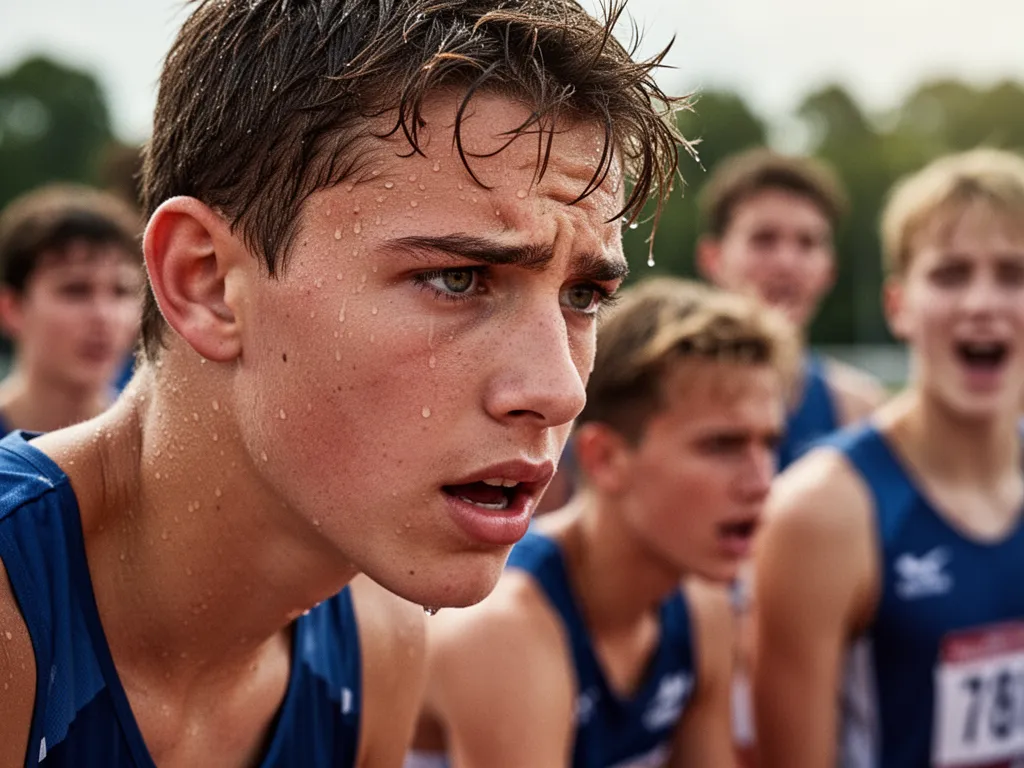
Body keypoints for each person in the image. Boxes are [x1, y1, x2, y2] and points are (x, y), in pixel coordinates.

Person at [0, 0, 684, 765]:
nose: (559, 388)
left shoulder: (378, 637)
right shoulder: (14, 610)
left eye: (583, 297)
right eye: (457, 279)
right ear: (206, 282)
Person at [410, 277, 798, 767]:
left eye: (768, 444)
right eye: (721, 446)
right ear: (606, 458)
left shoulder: (704, 610)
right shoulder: (505, 634)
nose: (762, 481)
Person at [753, 148, 1024, 767]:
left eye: (1013, 273)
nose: (982, 302)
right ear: (898, 305)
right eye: (951, 274)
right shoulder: (820, 510)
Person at [698, 148, 888, 469]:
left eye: (807, 243)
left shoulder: (859, 413)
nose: (787, 263)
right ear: (713, 259)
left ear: (830, 270)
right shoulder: (652, 399)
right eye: (764, 239)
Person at [0, 184, 143, 435]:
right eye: (76, 291)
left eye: (121, 291)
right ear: (11, 308)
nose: (103, 315)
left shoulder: (158, 443)